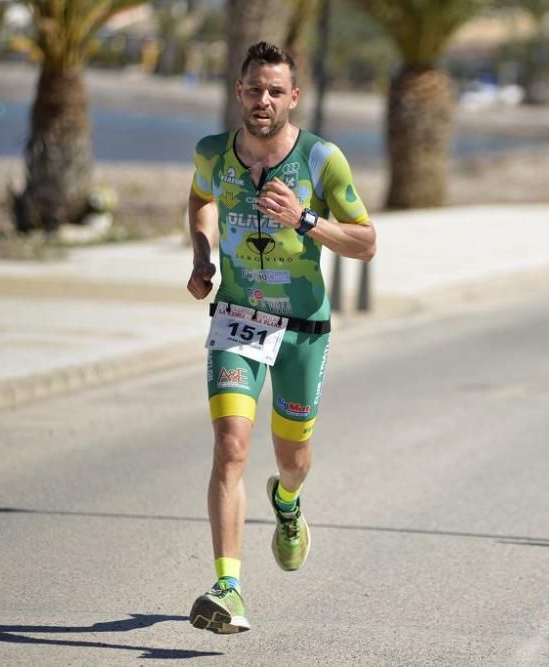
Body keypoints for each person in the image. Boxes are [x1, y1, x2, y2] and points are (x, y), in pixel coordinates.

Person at [185, 41, 376, 634]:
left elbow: (366, 242)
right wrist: (201, 258)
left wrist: (306, 220)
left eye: (275, 91)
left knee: (292, 459)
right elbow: (198, 198)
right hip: (238, 320)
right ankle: (229, 587)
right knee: (231, 447)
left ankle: (287, 502)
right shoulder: (213, 154)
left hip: (303, 329)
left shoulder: (322, 159)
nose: (263, 100)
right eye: (253, 89)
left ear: (294, 97)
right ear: (238, 92)